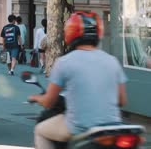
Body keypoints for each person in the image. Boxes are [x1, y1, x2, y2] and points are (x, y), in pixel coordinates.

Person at [28, 11, 127, 149]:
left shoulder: (64, 62)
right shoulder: (112, 61)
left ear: (70, 33)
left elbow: (49, 102)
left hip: (79, 127)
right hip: (113, 127)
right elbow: (122, 100)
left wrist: (36, 98)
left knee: (40, 131)